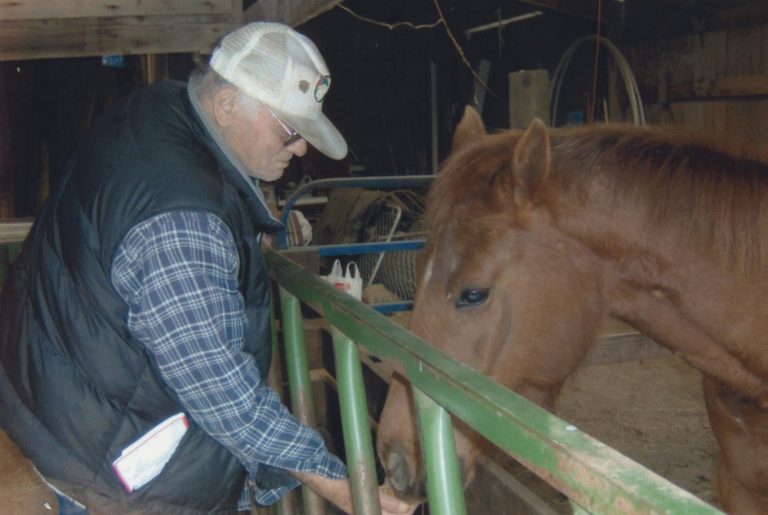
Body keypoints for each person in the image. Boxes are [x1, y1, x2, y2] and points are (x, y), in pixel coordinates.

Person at [0, 22, 415, 515]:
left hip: (63, 392)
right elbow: (223, 392)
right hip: (108, 466)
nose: (302, 148)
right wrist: (340, 485)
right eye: (290, 129)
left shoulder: (158, 109)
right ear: (225, 104)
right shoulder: (182, 221)